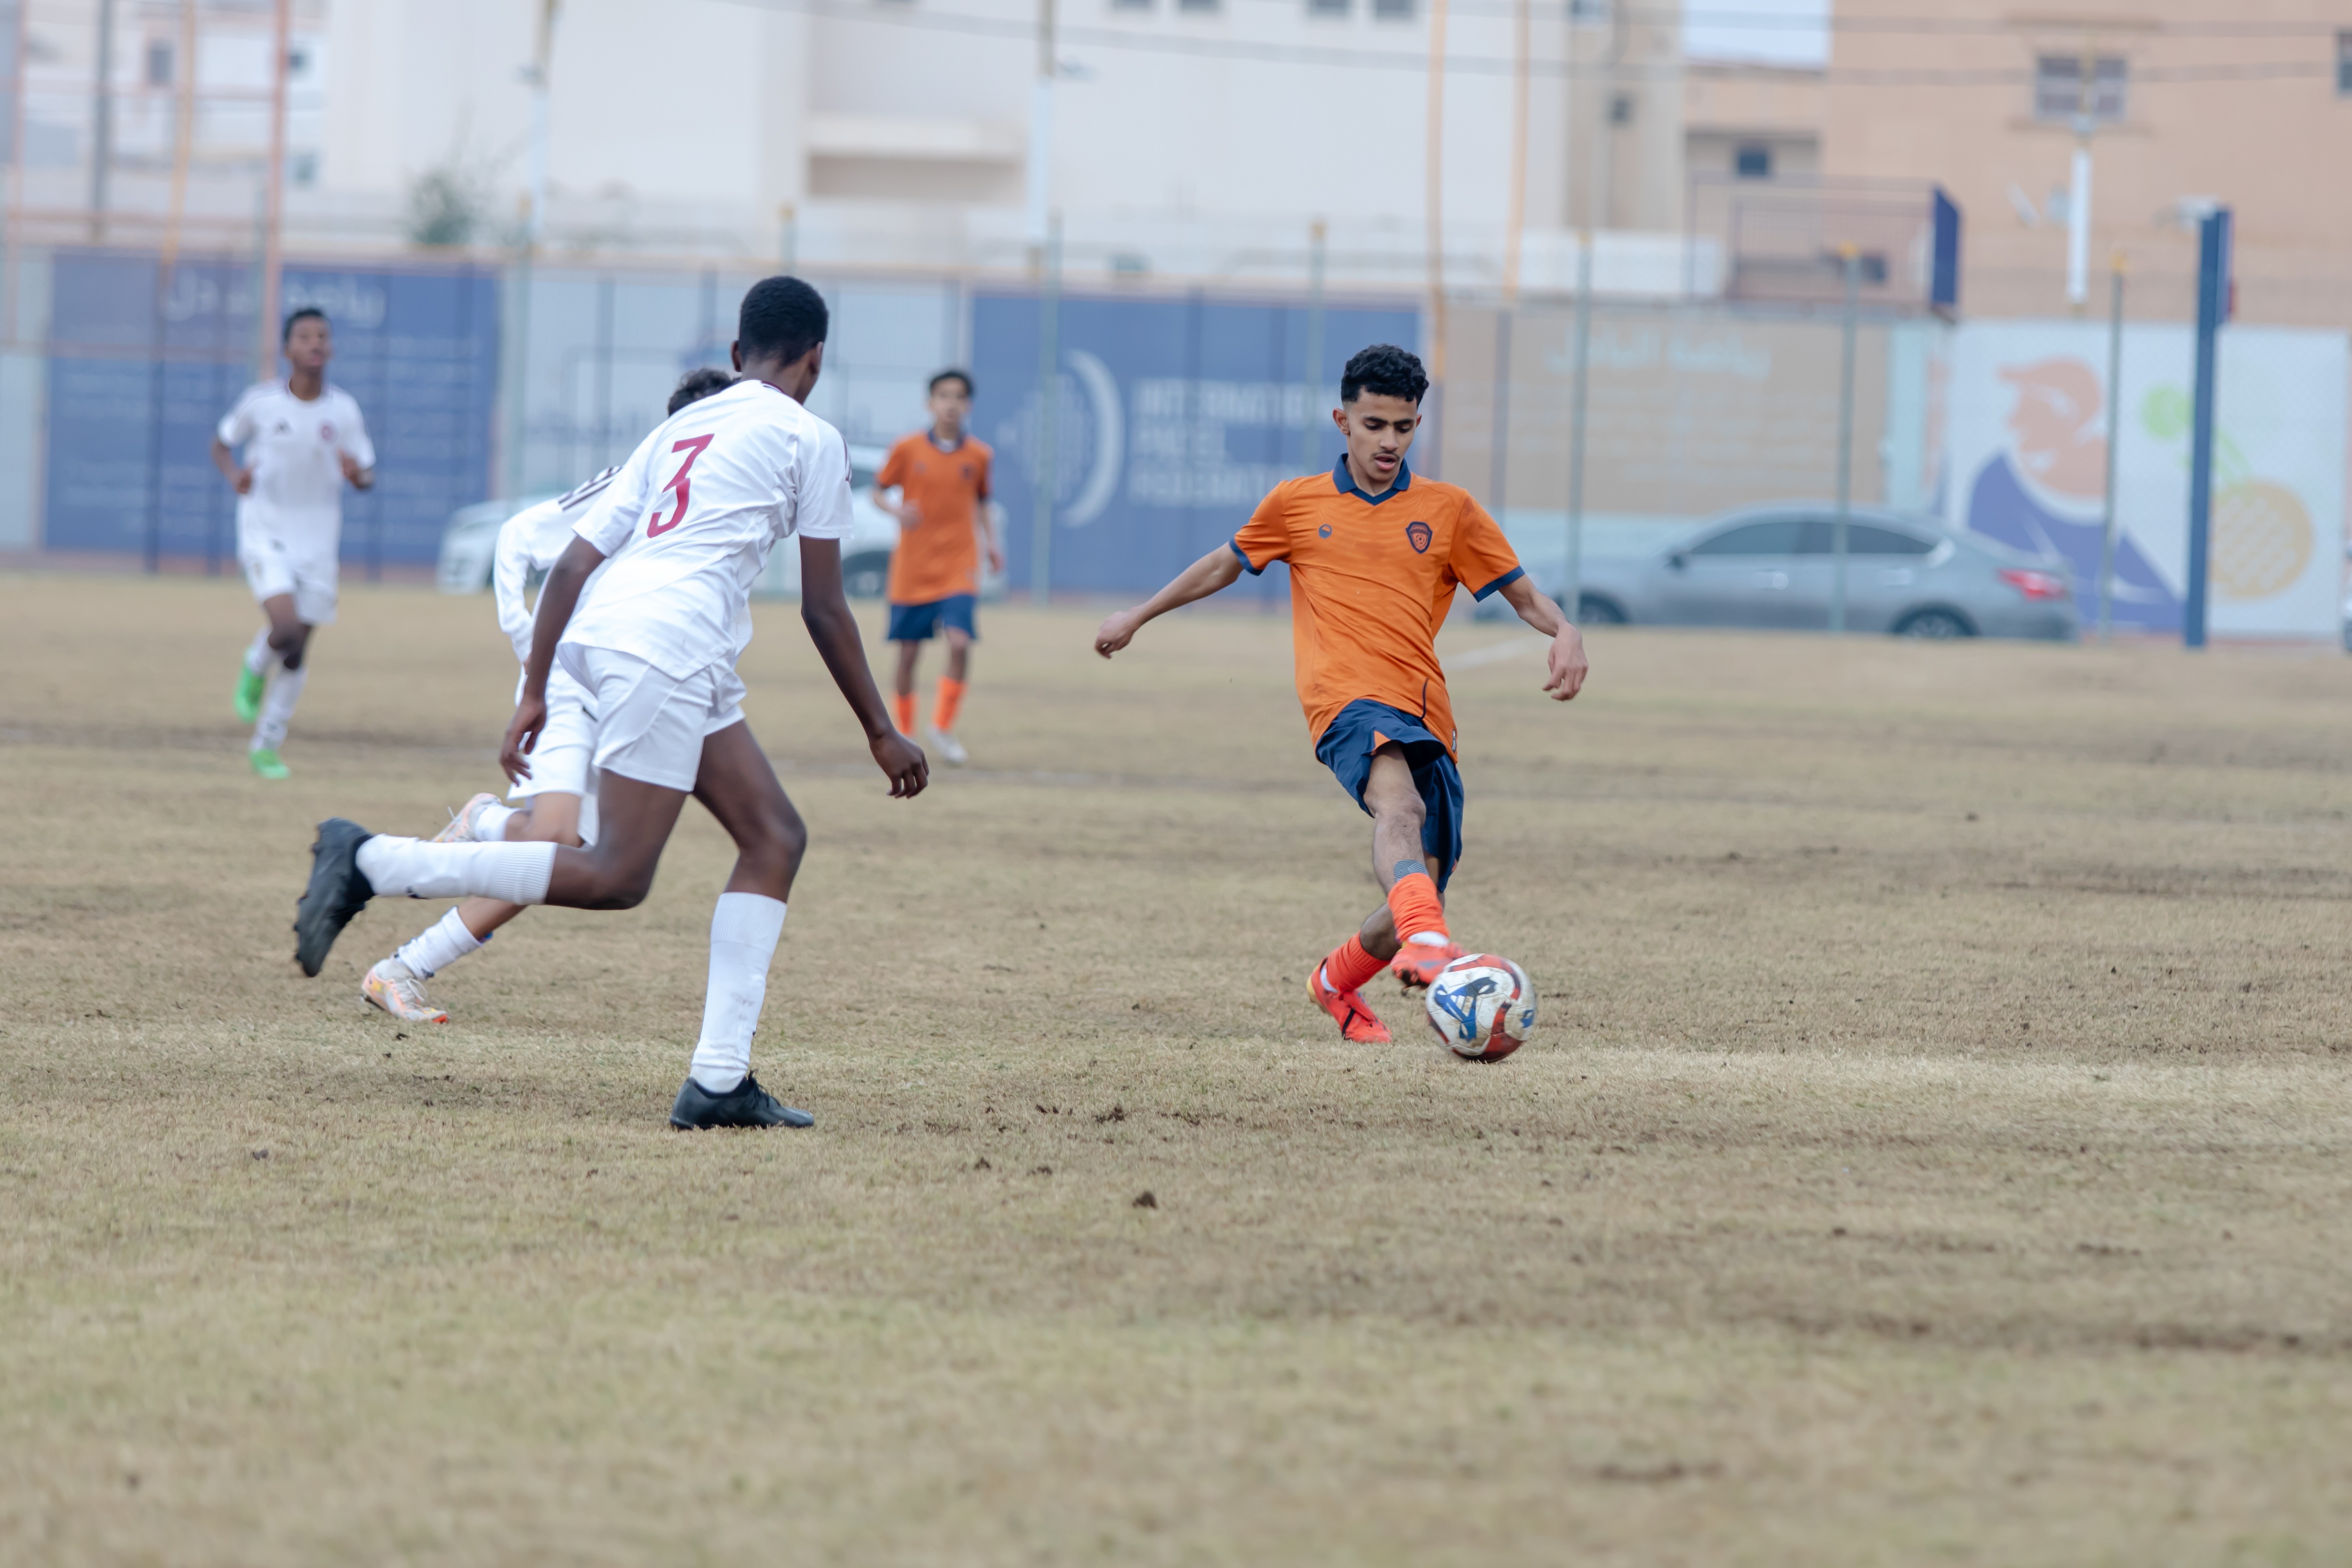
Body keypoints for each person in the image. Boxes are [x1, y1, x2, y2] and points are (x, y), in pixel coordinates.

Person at [290, 278, 929, 1129]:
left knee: (773, 837)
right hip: (666, 648)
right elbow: (823, 606)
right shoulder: (812, 438)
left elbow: (571, 563)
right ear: (816, 360)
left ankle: (718, 1082)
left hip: (614, 635)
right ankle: (373, 862)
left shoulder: (680, 425)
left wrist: (534, 688)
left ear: (738, 357)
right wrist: (881, 732)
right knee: (615, 873)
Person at [1092, 344, 1588, 1044]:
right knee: (1400, 806)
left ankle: (1337, 980)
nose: (1390, 441)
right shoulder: (1297, 503)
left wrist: (1564, 628)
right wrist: (1137, 615)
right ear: (1343, 421)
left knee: (1416, 890)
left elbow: (1523, 593)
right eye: (1375, 424)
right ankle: (1430, 945)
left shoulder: (1449, 510)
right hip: (1344, 701)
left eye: (1405, 427)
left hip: (1425, 710)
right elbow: (1221, 565)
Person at [361, 366, 738, 1025]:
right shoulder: (636, 480)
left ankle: (401, 969)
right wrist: (527, 642)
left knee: (566, 858)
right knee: (555, 836)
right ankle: (482, 821)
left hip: (637, 684)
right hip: (570, 674)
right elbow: (520, 536)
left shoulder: (728, 502)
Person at [215, 307, 377, 779]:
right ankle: (253, 665)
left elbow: (367, 472)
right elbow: (222, 443)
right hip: (265, 530)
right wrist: (235, 476)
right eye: (304, 336)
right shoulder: (261, 401)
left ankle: (266, 744)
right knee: (283, 627)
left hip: (319, 542)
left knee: (297, 649)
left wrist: (357, 475)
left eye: (322, 336)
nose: (315, 343)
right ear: (287, 349)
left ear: (330, 349)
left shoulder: (343, 410)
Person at [875, 369, 999, 765]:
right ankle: (903, 731)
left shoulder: (980, 455)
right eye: (943, 395)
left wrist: (992, 543)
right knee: (909, 654)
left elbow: (982, 502)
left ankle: (942, 727)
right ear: (931, 403)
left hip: (958, 565)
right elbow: (878, 490)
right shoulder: (907, 448)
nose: (951, 403)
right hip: (914, 567)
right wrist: (896, 509)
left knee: (960, 642)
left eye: (959, 396)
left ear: (969, 405)